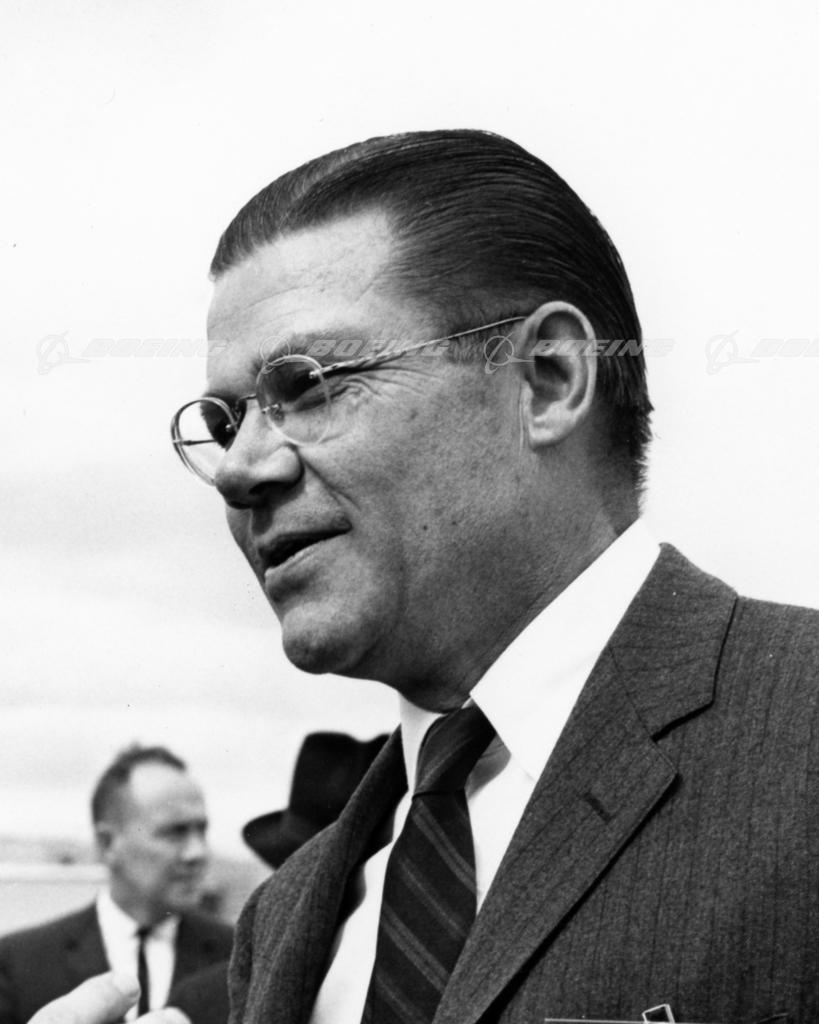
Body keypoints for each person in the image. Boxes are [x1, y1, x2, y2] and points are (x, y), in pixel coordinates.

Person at [0, 745, 233, 1024]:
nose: (197, 852)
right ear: (107, 843)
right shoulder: (18, 962)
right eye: (174, 832)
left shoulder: (239, 954)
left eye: (201, 830)